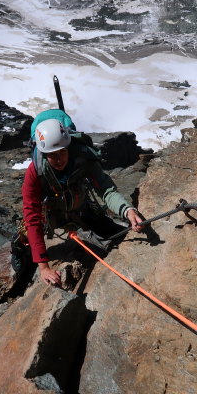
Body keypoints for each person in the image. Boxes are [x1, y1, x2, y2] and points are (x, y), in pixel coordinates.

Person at [16, 117, 144, 286]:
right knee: (24, 237)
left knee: (119, 234)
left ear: (69, 147)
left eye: (62, 152)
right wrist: (44, 267)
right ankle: (18, 252)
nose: (59, 159)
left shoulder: (83, 158)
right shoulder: (35, 172)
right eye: (52, 155)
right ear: (44, 155)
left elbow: (105, 189)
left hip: (81, 210)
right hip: (49, 216)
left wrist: (127, 210)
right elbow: (32, 216)